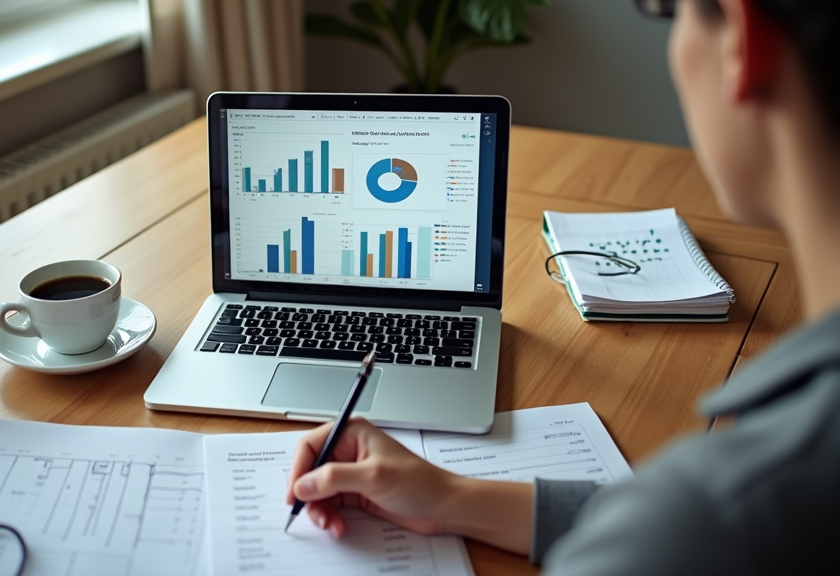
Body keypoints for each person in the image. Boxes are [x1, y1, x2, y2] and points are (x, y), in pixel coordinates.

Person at [286, 0, 840, 573]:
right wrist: (452, 499)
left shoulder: (710, 520)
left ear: (741, 41)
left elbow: (680, 532)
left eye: (666, 12)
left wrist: (657, 524)